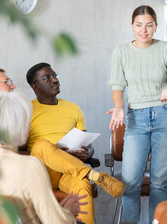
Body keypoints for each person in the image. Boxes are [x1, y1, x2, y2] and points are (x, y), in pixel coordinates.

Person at [107, 5, 167, 223]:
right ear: (131, 26)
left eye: (149, 25)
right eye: (139, 25)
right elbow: (117, 85)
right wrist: (119, 107)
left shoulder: (166, 48)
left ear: (156, 26)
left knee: (160, 183)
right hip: (137, 118)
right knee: (130, 182)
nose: (144, 30)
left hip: (166, 114)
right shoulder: (121, 52)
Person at [26, 62, 125, 224]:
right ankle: (95, 175)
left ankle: (89, 180)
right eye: (47, 78)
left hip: (70, 171)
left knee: (82, 184)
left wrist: (88, 152)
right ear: (35, 86)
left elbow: (87, 142)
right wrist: (54, 153)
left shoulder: (73, 109)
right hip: (42, 173)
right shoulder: (27, 110)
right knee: (42, 145)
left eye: (54, 75)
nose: (55, 80)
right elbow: (18, 151)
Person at [0, 92, 87, 224]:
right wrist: (68, 213)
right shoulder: (31, 165)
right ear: (24, 127)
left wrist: (59, 209)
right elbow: (55, 222)